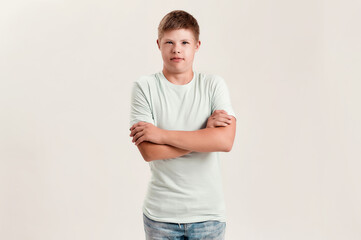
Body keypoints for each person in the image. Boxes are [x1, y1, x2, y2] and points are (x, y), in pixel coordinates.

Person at [129, 10, 237, 240]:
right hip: (161, 216)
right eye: (169, 42)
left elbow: (225, 141)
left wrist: (161, 134)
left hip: (208, 215)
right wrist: (204, 137)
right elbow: (149, 151)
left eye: (184, 42)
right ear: (158, 44)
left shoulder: (213, 85)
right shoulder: (144, 87)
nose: (176, 49)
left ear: (197, 45)